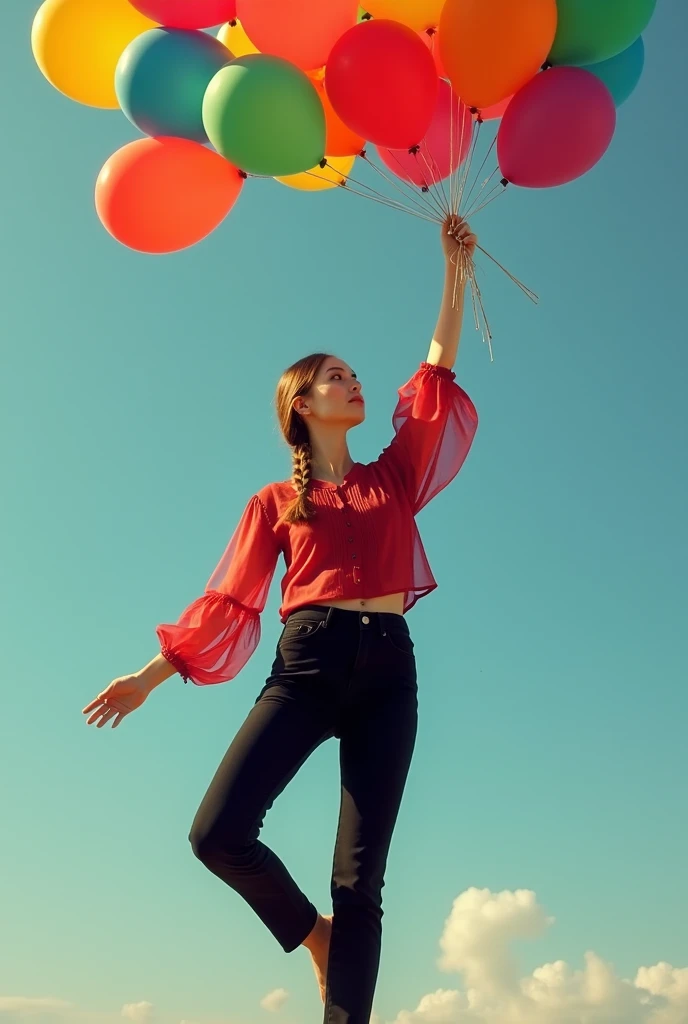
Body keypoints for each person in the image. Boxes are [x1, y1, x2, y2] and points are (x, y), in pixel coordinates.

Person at [82, 213, 479, 1023]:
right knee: (217, 833)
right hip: (305, 667)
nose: (355, 382)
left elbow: (434, 379)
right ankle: (312, 937)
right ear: (301, 403)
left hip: (388, 674)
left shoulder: (394, 476)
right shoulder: (274, 502)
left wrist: (455, 274)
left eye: (355, 373)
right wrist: (151, 678)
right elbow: (230, 599)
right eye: (337, 376)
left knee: (359, 880)